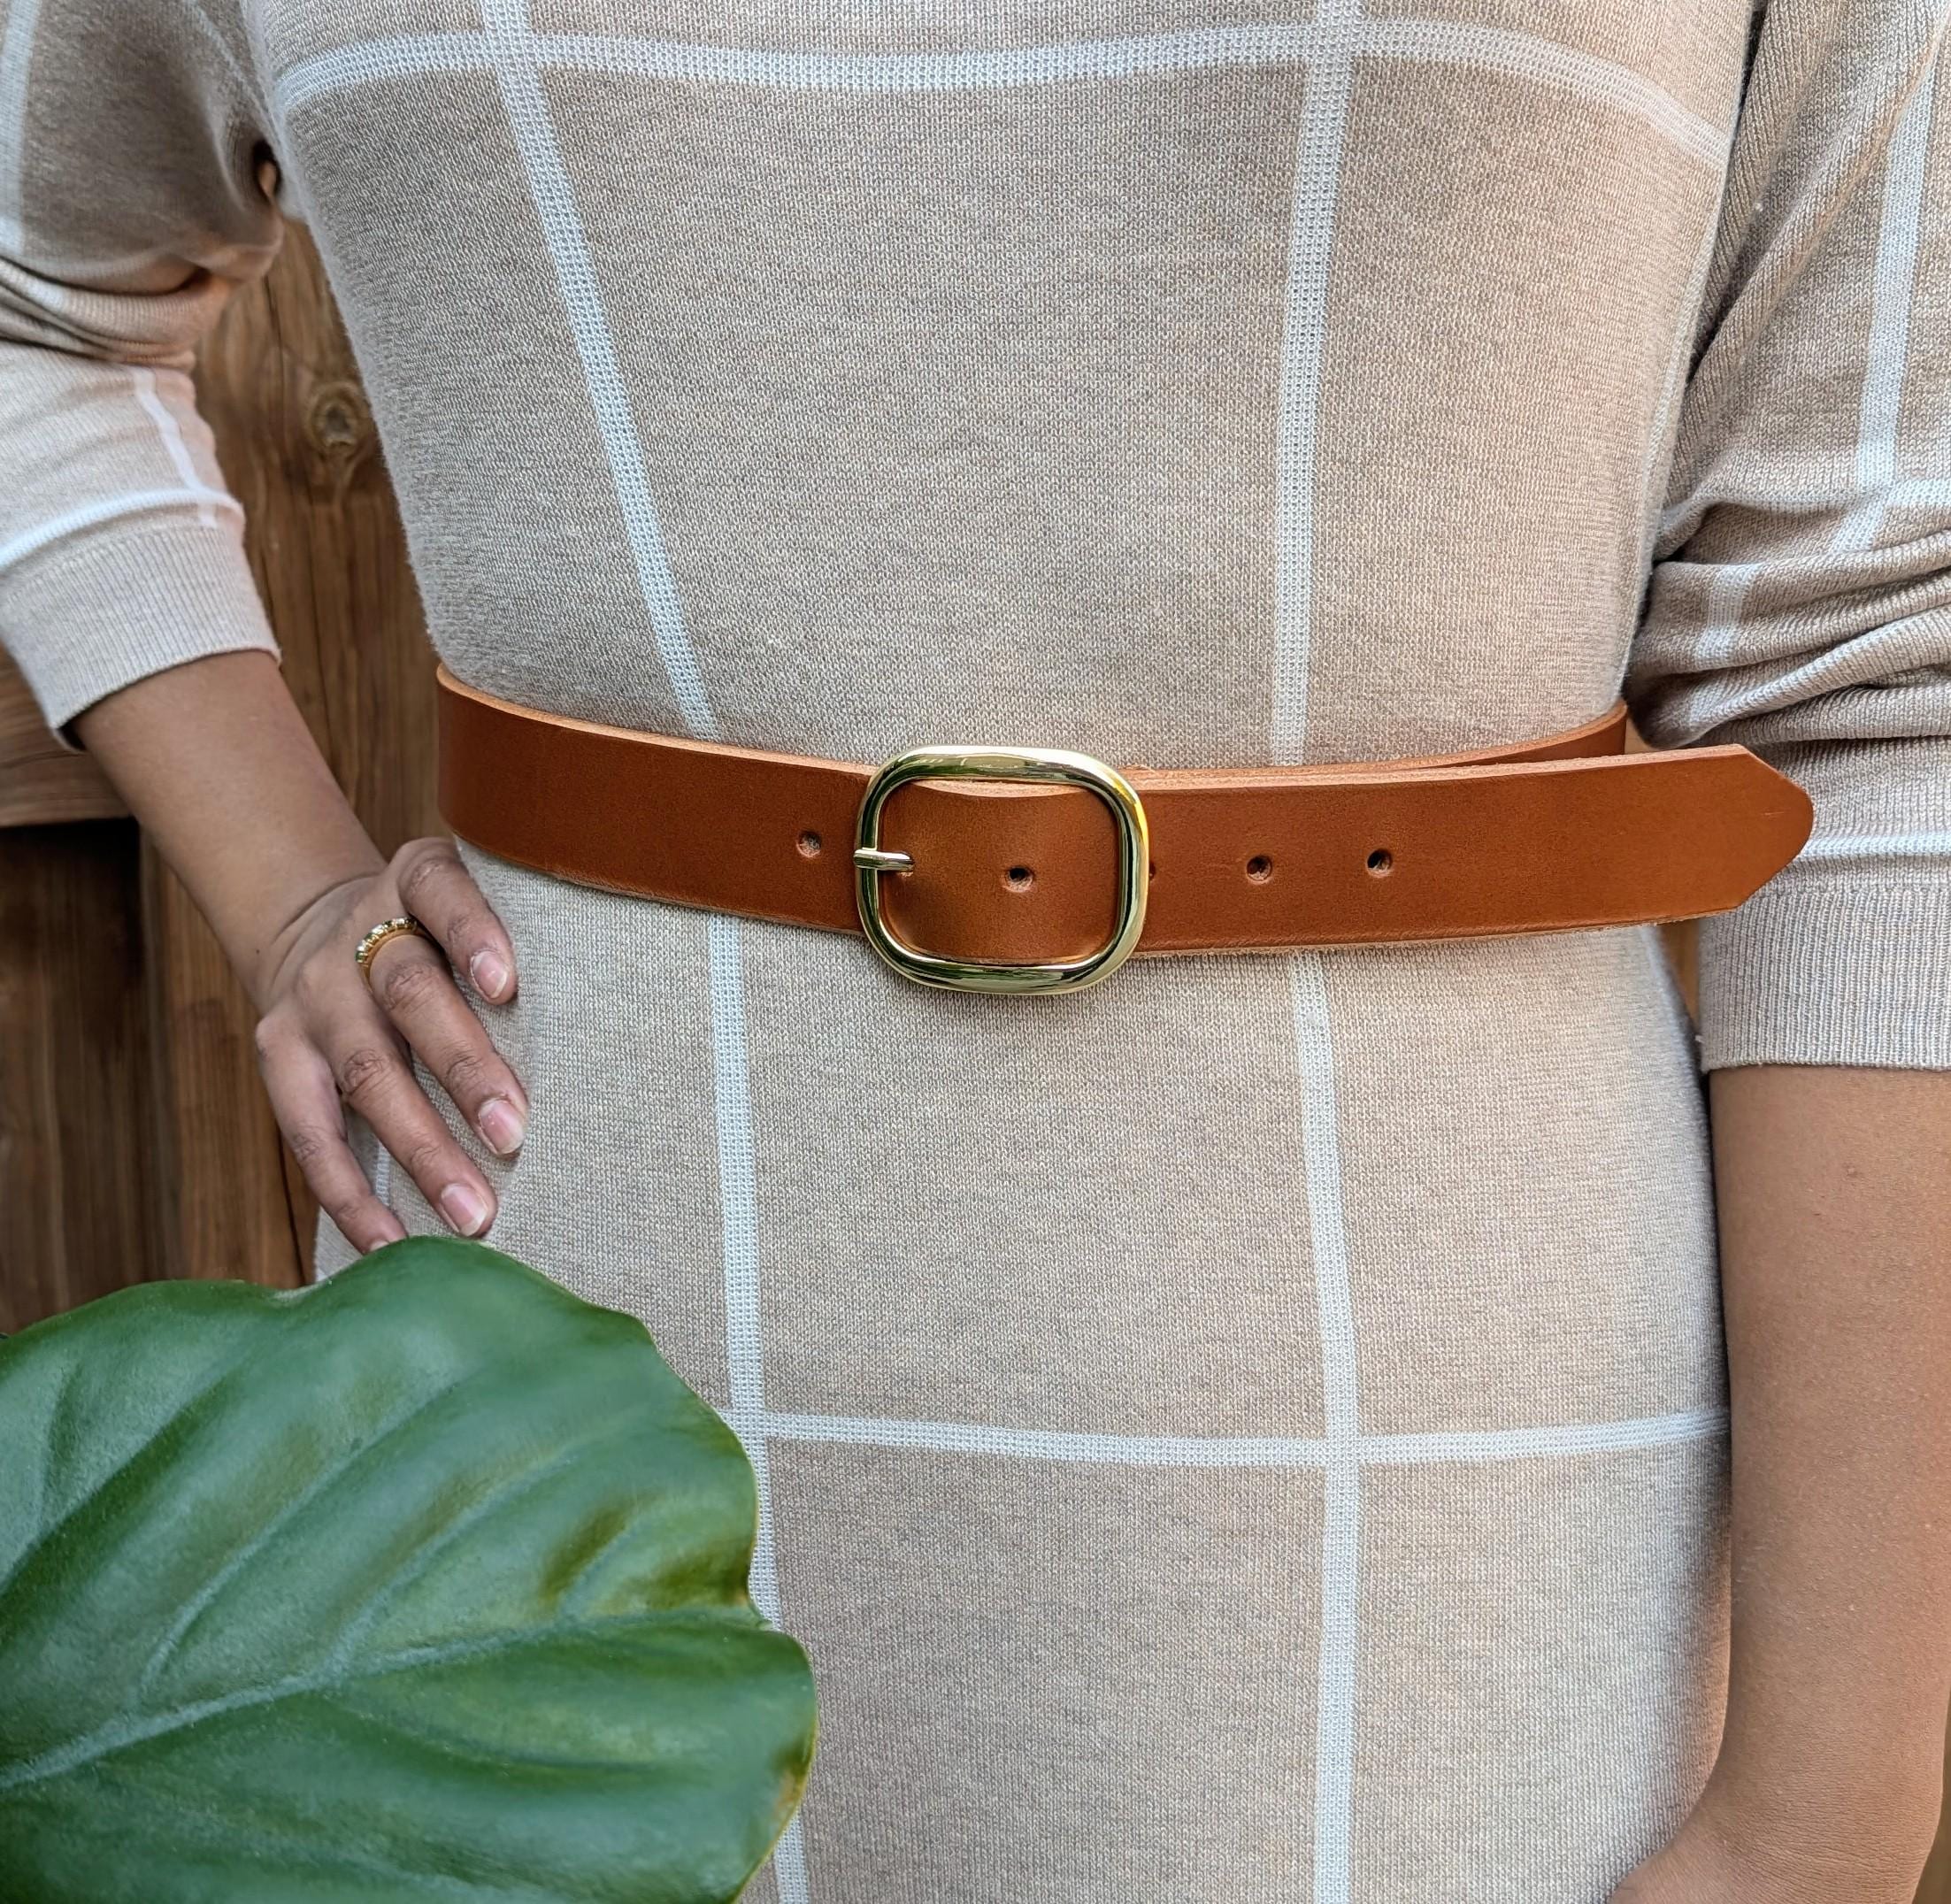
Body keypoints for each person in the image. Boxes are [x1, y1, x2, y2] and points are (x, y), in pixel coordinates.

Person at [3, 1, 1947, 1898]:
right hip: (533, 1373)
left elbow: (1878, 688)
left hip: (1446, 1435)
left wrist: (1819, 1829)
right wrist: (291, 895)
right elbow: (37, 300)